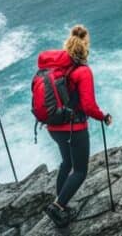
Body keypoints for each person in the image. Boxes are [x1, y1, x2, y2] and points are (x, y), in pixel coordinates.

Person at [42, 25, 112, 228]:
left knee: (66, 163)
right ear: (85, 46)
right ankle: (57, 206)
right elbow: (89, 106)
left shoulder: (56, 68)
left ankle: (60, 202)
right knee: (80, 170)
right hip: (74, 127)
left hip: (53, 125)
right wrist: (103, 116)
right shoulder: (83, 71)